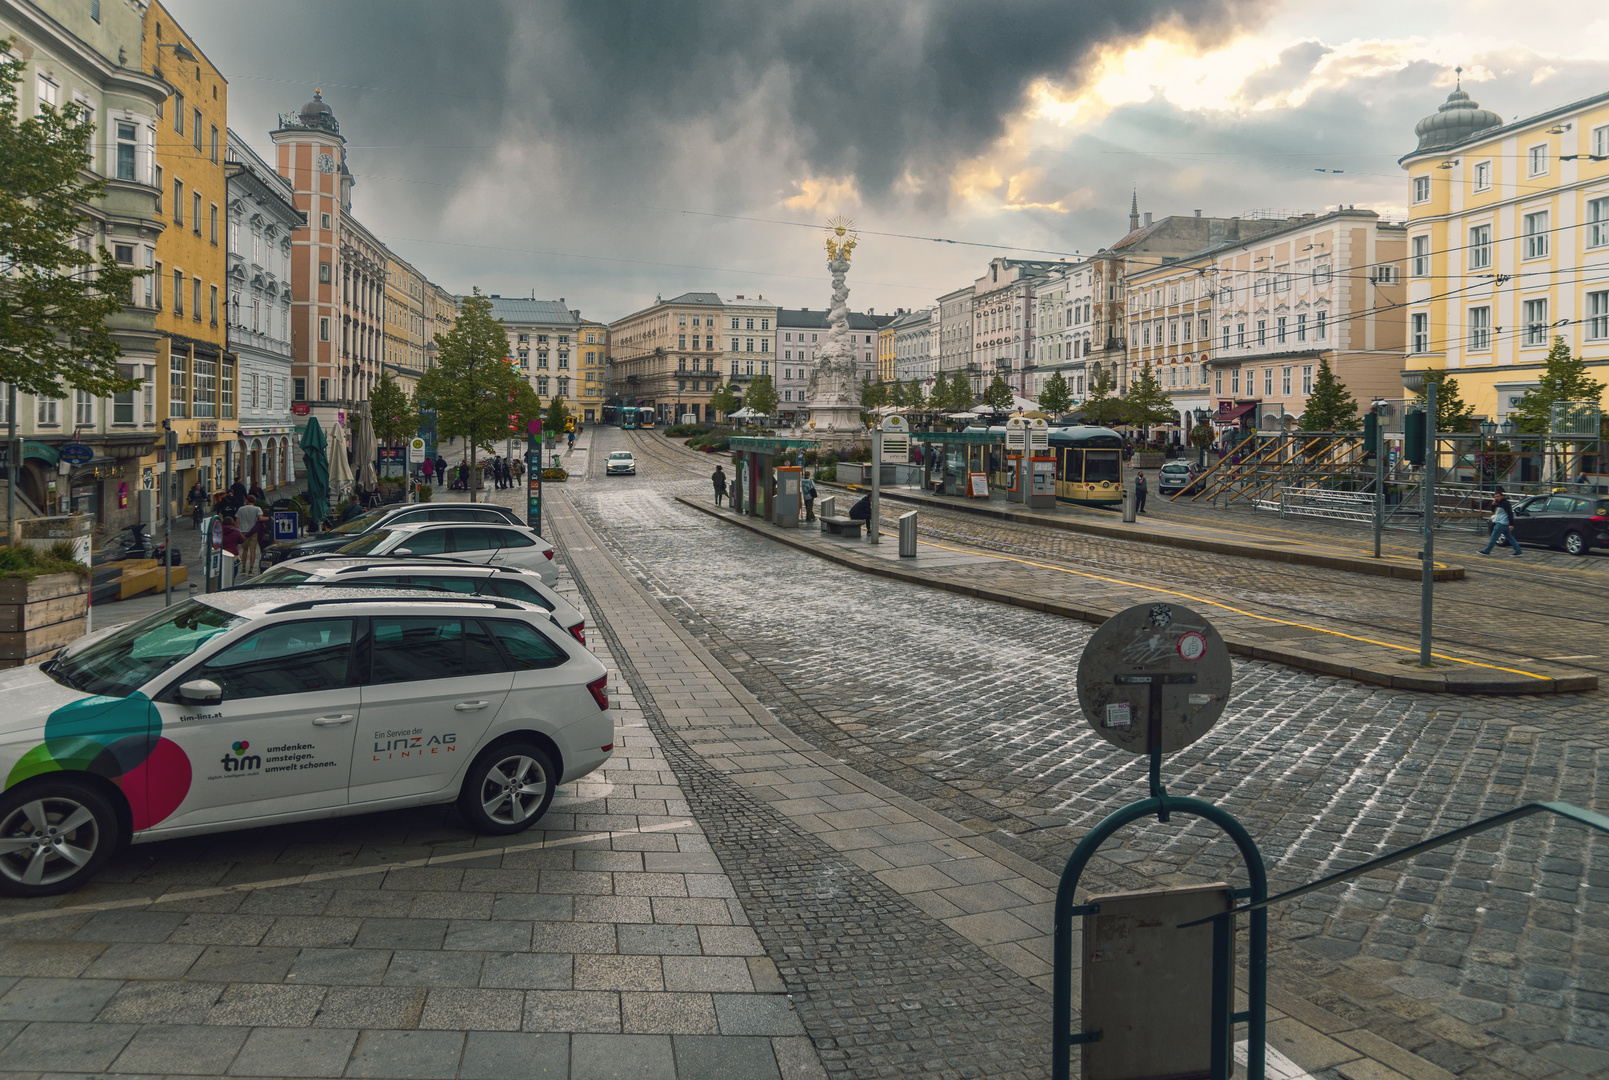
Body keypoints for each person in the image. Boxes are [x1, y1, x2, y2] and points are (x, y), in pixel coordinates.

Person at [1479, 486, 1522, 557]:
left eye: (1498, 496)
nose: (1496, 498)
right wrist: (1493, 505)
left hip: (1501, 523)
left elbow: (1510, 513)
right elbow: (1493, 511)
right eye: (1495, 496)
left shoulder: (1505, 503)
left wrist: (1511, 524)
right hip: (1502, 523)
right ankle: (1518, 551)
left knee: (1493, 537)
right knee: (1510, 537)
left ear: (1502, 496)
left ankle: (1487, 551)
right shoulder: (1498, 503)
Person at [235, 497, 263, 575]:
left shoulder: (241, 509)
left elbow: (237, 521)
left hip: (243, 531)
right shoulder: (257, 509)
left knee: (245, 550)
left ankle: (243, 569)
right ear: (254, 501)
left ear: (247, 501)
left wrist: (237, 529)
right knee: (252, 549)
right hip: (253, 531)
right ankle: (251, 570)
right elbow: (260, 518)